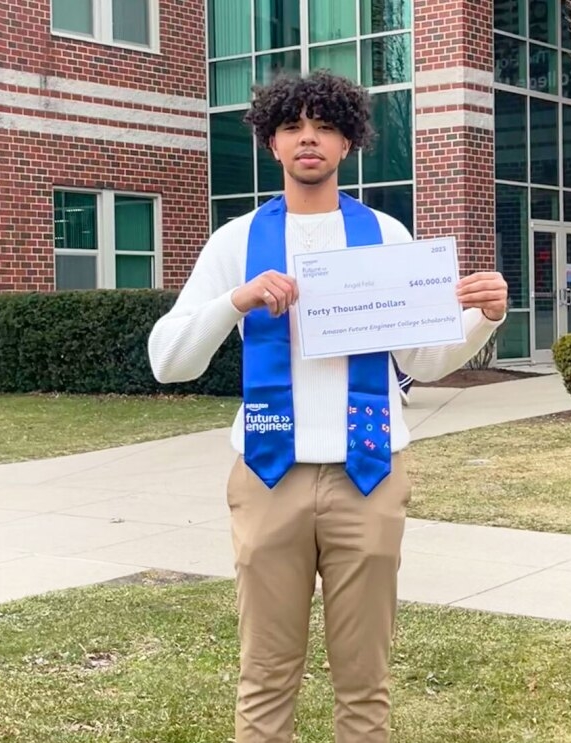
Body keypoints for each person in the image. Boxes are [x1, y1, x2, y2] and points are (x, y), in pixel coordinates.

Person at [147, 70, 507, 743]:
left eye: (323, 126)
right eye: (292, 126)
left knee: (365, 682)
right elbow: (169, 359)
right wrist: (238, 300)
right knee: (264, 677)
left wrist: (483, 319)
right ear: (272, 143)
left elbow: (423, 361)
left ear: (348, 142)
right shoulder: (236, 241)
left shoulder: (387, 236)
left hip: (368, 472)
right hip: (266, 475)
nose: (307, 137)